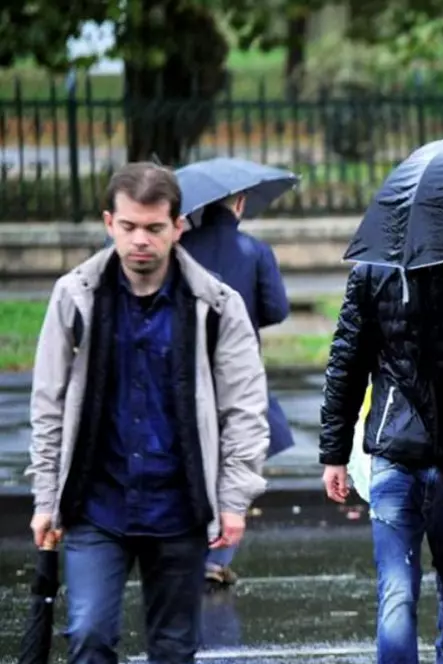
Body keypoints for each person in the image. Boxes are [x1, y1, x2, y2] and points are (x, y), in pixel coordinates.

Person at [26, 162, 270, 663]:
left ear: (178, 227)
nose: (141, 240)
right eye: (130, 226)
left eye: (155, 228)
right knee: (89, 637)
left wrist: (234, 499)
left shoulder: (217, 305)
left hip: (180, 508)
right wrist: (45, 498)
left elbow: (245, 410)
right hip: (97, 505)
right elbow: (48, 404)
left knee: (174, 650)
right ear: (108, 222)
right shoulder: (75, 297)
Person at [318, 254, 443, 664]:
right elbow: (346, 366)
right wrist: (334, 454)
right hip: (395, 456)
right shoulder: (374, 274)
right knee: (397, 594)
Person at [179, 193, 293, 588]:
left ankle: (192, 549)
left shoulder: (179, 248)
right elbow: (277, 308)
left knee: (194, 453)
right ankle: (218, 556)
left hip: (187, 367)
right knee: (237, 453)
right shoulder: (256, 250)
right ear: (241, 202)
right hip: (237, 370)